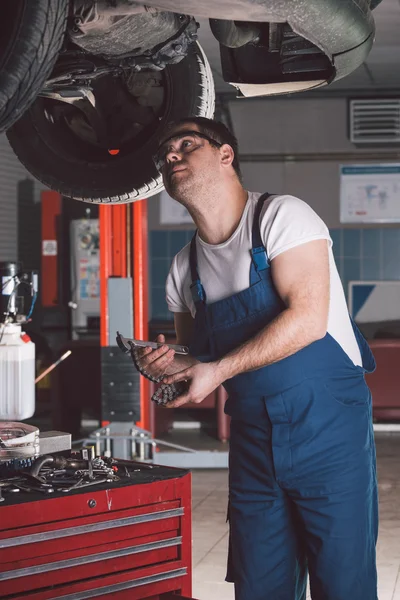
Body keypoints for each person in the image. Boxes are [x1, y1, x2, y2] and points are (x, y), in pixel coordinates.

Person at [134, 117, 378, 600]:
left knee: (342, 578)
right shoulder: (185, 269)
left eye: (186, 144)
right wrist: (166, 367)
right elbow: (200, 357)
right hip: (254, 440)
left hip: (327, 430)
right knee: (258, 582)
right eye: (165, 154)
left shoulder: (281, 217)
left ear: (226, 155)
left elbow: (308, 320)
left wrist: (214, 370)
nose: (171, 156)